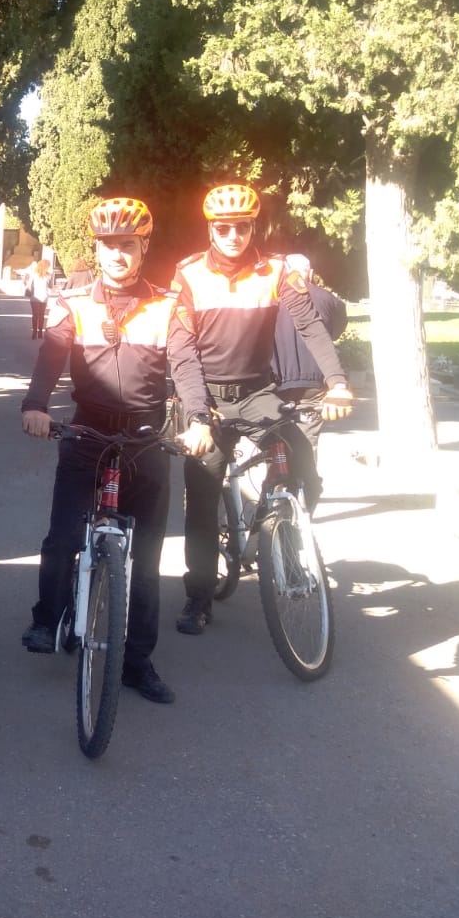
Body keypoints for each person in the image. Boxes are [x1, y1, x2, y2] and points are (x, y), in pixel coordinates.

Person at [19, 198, 210, 704]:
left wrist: (200, 420)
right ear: (97, 249)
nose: (118, 254)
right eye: (109, 245)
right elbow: (51, 355)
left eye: (127, 244)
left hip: (146, 438)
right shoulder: (75, 302)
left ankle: (138, 662)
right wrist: (35, 404)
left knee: (145, 563)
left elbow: (187, 366)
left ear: (143, 247)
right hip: (88, 431)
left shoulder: (169, 304)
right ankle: (48, 618)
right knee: (62, 540)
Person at [171, 184, 354, 636]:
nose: (233, 234)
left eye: (242, 226)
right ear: (211, 228)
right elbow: (182, 350)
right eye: (223, 227)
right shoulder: (189, 273)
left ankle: (277, 522)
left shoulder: (275, 271)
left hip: (256, 390)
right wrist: (196, 413)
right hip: (207, 394)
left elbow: (310, 324)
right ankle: (198, 596)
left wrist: (338, 383)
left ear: (254, 226)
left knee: (300, 459)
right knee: (202, 494)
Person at [271, 253, 348, 456]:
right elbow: (335, 332)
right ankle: (304, 484)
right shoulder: (330, 300)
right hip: (314, 382)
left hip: (275, 380)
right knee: (306, 447)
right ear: (311, 273)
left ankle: (277, 481)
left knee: (275, 444)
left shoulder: (269, 299)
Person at [23, 248, 52, 338]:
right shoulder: (49, 276)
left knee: (35, 315)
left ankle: (34, 331)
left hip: (35, 297)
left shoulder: (33, 274)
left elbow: (29, 285)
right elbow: (50, 287)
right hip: (44, 297)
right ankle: (40, 332)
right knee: (42, 315)